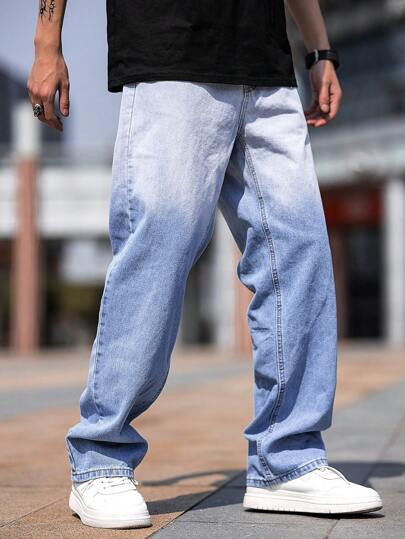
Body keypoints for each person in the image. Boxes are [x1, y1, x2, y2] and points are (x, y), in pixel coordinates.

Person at [27, 0, 383, 530]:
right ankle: (101, 458)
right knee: (159, 252)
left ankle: (286, 460)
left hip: (266, 68)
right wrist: (46, 44)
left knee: (299, 252)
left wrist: (319, 48)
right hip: (171, 51)